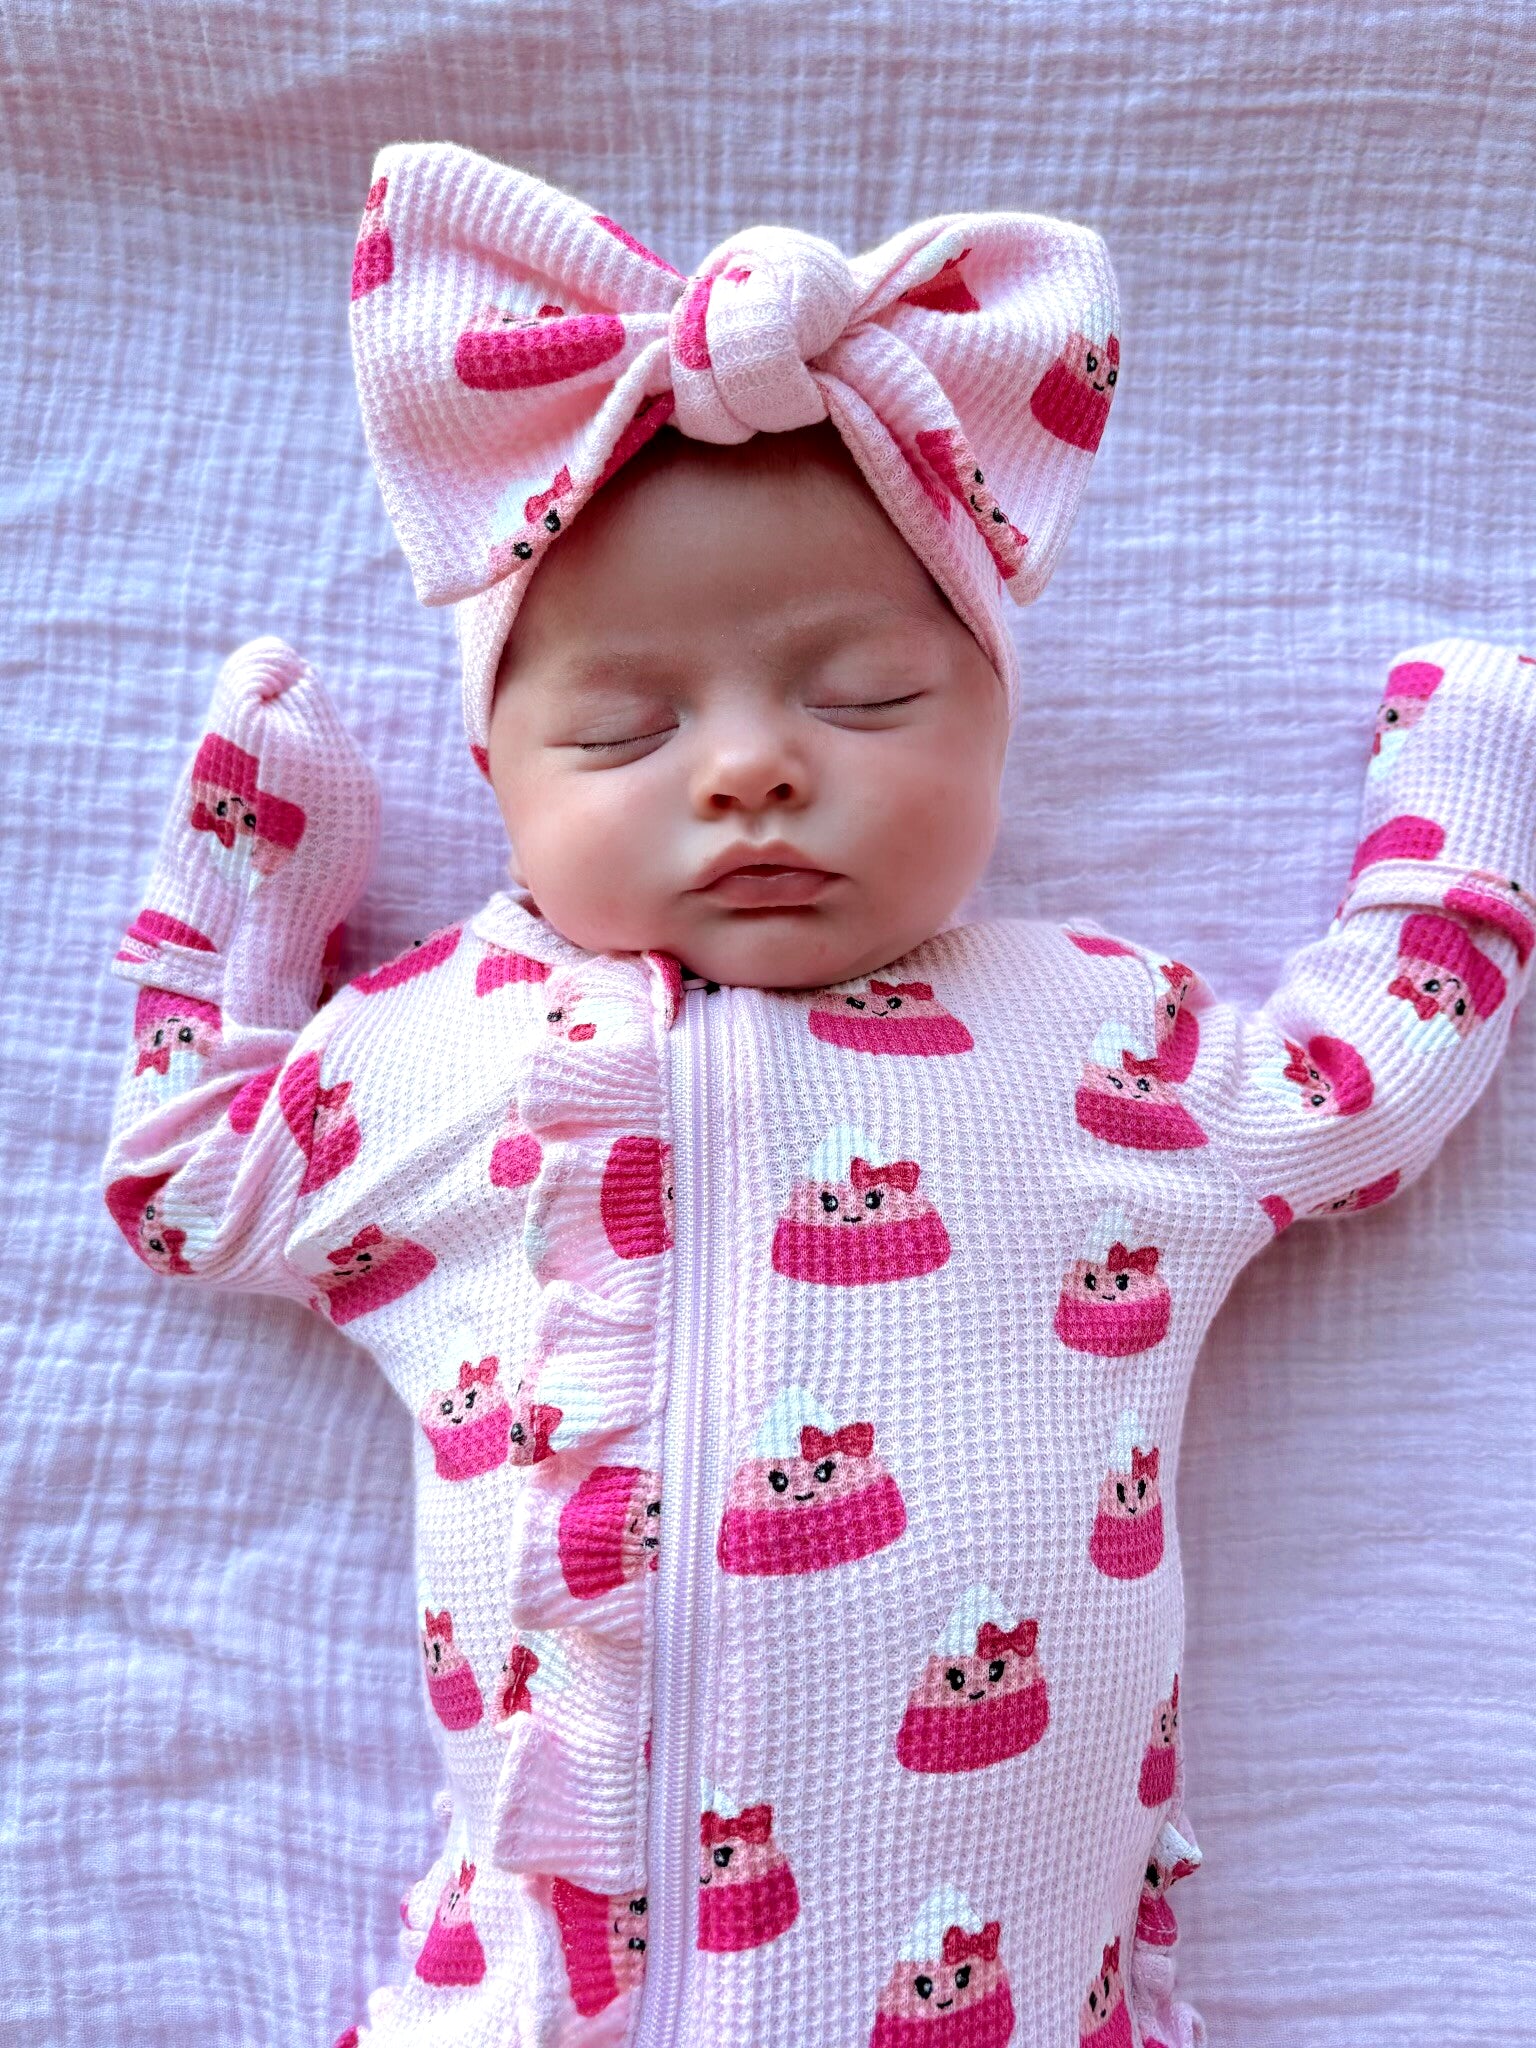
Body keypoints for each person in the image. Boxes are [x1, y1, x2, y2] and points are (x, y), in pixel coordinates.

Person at [101, 141, 1535, 2048]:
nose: (754, 772)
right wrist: (256, 864)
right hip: (532, 2003)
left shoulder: (1105, 1041)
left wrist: (1470, 799)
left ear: (996, 726)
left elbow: (1360, 1093)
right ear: (500, 771)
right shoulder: (430, 1048)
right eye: (626, 726)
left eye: (866, 697)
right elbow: (191, 1181)